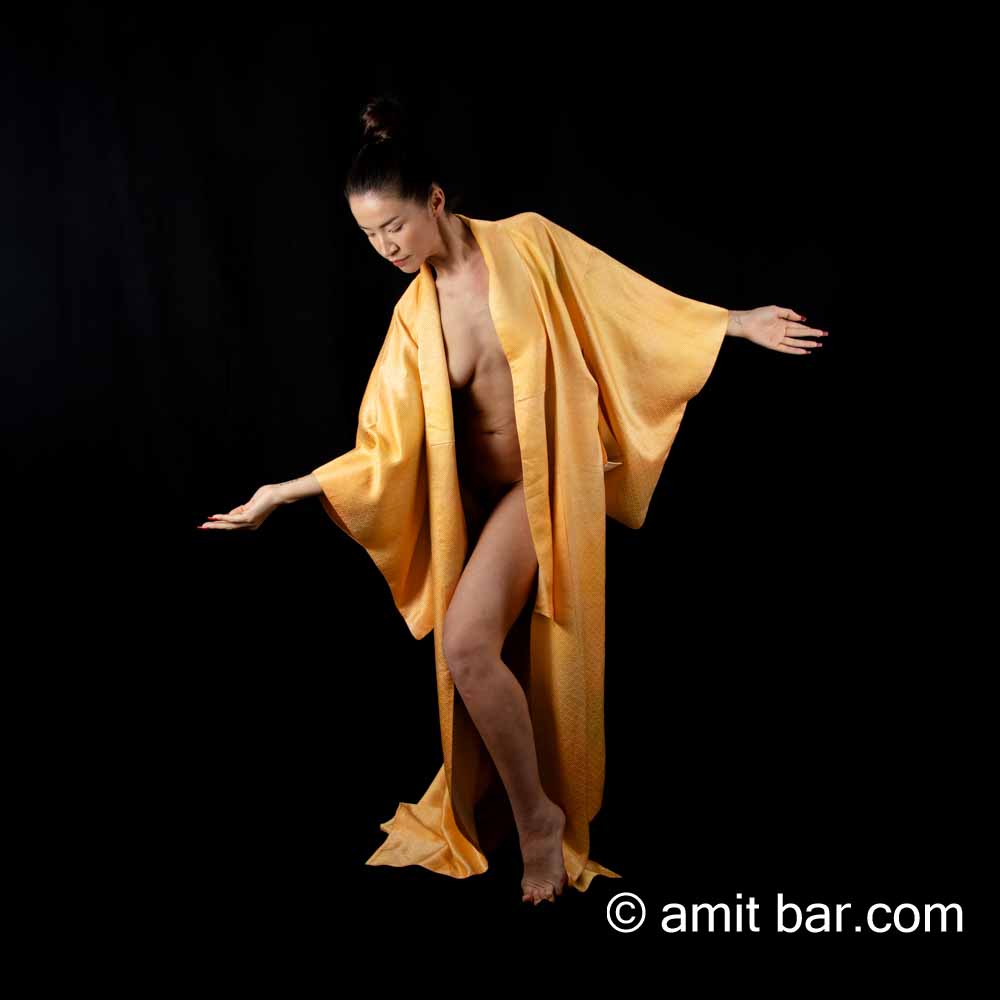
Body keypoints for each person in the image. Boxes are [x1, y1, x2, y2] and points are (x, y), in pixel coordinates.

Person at [197, 94, 830, 905]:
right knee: (467, 652)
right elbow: (382, 447)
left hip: (557, 476)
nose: (386, 247)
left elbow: (621, 299)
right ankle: (530, 810)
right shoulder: (414, 320)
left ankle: (538, 823)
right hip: (488, 503)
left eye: (393, 226)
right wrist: (280, 493)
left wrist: (735, 323)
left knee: (470, 645)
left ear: (434, 200)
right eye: (369, 236)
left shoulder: (526, 242)